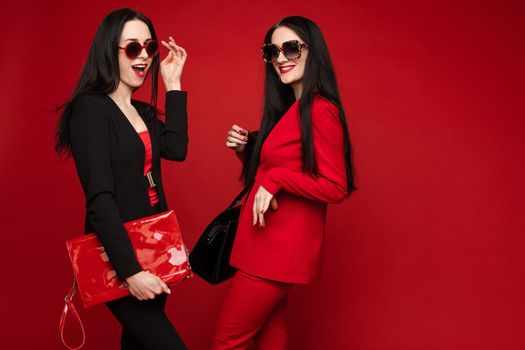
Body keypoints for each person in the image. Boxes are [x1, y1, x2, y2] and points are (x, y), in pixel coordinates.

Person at [211, 16, 357, 349]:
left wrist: (277, 178)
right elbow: (271, 175)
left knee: (227, 342)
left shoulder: (320, 109)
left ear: (312, 50)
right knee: (270, 340)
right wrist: (247, 152)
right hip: (264, 246)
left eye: (290, 48)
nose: (280, 58)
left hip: (275, 252)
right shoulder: (292, 109)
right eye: (272, 51)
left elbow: (336, 186)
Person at [55, 8, 188, 350]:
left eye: (149, 47)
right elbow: (100, 199)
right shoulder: (90, 110)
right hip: (122, 258)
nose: (143, 56)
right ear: (108, 51)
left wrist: (173, 84)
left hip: (155, 250)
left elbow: (175, 148)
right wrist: (130, 273)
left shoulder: (141, 110)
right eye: (132, 48)